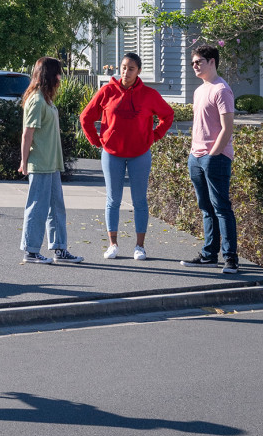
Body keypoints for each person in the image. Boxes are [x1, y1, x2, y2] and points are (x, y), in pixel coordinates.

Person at [80, 52, 174, 260]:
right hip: (112, 154)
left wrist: (155, 135)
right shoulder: (107, 91)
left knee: (139, 200)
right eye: (123, 67)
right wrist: (97, 141)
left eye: (131, 68)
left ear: (139, 71)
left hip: (140, 154)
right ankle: (113, 244)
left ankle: (139, 247)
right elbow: (85, 117)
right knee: (113, 200)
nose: (126, 71)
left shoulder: (149, 94)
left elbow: (167, 115)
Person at [178, 45, 238, 274]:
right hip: (196, 157)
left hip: (216, 158)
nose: (194, 65)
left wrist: (213, 155)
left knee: (222, 208)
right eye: (193, 62)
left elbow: (227, 128)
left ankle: (230, 258)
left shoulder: (222, 90)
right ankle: (209, 255)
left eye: (198, 62)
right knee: (206, 208)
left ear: (212, 62)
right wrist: (194, 154)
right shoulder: (200, 90)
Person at [18, 56, 83, 265]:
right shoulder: (36, 100)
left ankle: (59, 248)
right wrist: (24, 161)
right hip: (40, 163)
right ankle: (31, 250)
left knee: (56, 207)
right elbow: (27, 134)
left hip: (52, 163)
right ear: (48, 74)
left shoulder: (46, 99)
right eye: (58, 73)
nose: (60, 77)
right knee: (37, 207)